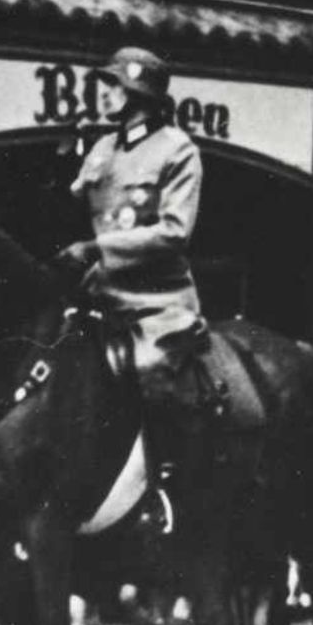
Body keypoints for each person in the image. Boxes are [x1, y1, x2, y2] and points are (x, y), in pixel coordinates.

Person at [57, 46, 217, 536]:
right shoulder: (101, 148)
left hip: (157, 300)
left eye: (114, 87)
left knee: (150, 370)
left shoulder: (178, 150)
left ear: (139, 95)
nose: (103, 95)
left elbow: (174, 233)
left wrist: (98, 247)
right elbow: (77, 206)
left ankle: (163, 485)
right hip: (99, 293)